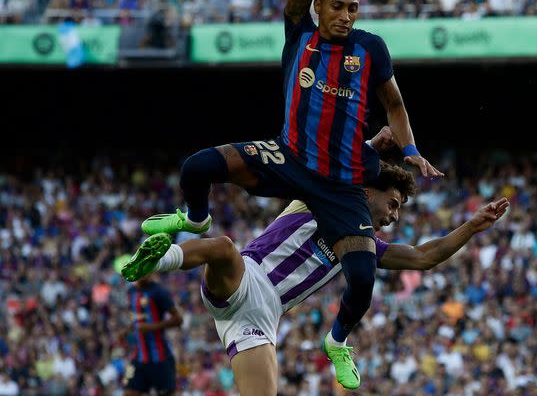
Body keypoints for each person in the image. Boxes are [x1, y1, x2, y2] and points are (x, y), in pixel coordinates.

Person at [140, 0, 442, 389]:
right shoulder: (299, 35)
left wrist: (410, 148)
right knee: (198, 167)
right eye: (338, 6)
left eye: (354, 9)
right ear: (318, 8)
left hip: (342, 186)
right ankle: (196, 220)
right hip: (290, 160)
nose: (346, 15)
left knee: (362, 277)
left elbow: (395, 104)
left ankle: (338, 341)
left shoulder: (371, 50)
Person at [122, 160, 509, 395]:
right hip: (245, 276)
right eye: (392, 204)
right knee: (223, 246)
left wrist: (472, 226)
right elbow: (339, 161)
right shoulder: (314, 198)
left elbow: (425, 257)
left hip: (262, 320)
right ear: (366, 191)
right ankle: (157, 260)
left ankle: (161, 258)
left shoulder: (363, 247)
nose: (394, 216)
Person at [121, 274, 183, 396]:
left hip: (160, 358)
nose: (145, 274)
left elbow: (178, 319)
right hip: (138, 358)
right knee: (128, 392)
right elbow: (136, 317)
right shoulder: (131, 292)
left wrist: (151, 327)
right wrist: (126, 330)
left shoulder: (159, 292)